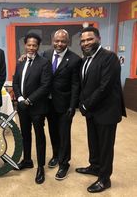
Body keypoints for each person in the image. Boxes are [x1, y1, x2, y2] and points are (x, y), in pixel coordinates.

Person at [76, 26, 126, 193]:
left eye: (89, 39)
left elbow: (104, 87)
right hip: (92, 111)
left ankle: (105, 179)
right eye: (83, 40)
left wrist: (85, 104)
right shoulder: (86, 59)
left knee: (105, 146)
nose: (86, 43)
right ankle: (95, 166)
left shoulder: (109, 57)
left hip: (106, 111)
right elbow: (85, 85)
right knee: (94, 142)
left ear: (98, 39)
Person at [42, 29, 82, 180]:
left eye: (63, 41)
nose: (59, 44)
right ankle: (56, 155)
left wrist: (73, 106)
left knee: (64, 135)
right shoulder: (45, 54)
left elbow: (75, 85)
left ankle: (64, 163)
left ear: (68, 42)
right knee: (53, 131)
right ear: (53, 40)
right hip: (48, 103)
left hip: (65, 104)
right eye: (57, 41)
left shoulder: (75, 59)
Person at [13, 33, 52, 184]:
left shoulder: (44, 63)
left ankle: (40, 166)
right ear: (25, 45)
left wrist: (29, 100)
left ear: (38, 46)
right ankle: (27, 160)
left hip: (37, 107)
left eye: (34, 45)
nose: (31, 48)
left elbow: (45, 86)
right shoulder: (21, 62)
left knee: (39, 136)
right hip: (23, 107)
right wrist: (21, 98)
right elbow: (16, 82)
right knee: (25, 134)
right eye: (29, 45)